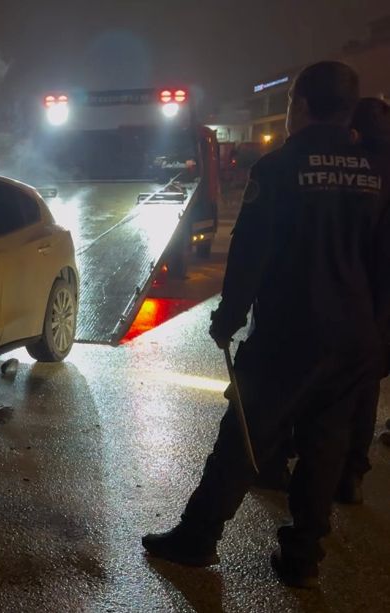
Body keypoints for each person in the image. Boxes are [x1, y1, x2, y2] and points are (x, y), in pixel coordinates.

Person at [142, 62, 390, 589]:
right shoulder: (378, 173)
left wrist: (227, 320)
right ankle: (303, 558)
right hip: (354, 339)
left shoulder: (278, 168)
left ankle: (197, 538)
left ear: (298, 105)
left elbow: (250, 255)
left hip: (288, 337)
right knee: (326, 446)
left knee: (243, 437)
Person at [253, 96, 390, 502]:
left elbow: (261, 250)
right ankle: (342, 485)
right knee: (350, 410)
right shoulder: (376, 177)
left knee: (285, 400)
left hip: (313, 314)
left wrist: (233, 313)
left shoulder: (298, 167)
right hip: (366, 321)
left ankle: (275, 469)